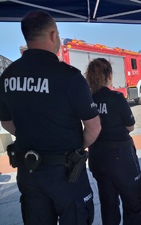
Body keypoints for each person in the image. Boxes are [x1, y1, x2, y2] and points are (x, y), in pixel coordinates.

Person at [0, 10, 101, 225]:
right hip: (66, 175)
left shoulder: (8, 76)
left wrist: (30, 133)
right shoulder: (69, 76)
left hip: (29, 172)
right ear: (53, 34)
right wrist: (76, 146)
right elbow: (93, 127)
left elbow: (6, 121)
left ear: (27, 37)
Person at [85, 58, 141, 225]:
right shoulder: (116, 98)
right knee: (132, 202)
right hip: (121, 158)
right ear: (109, 75)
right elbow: (130, 126)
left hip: (98, 156)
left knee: (108, 204)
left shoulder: (88, 98)